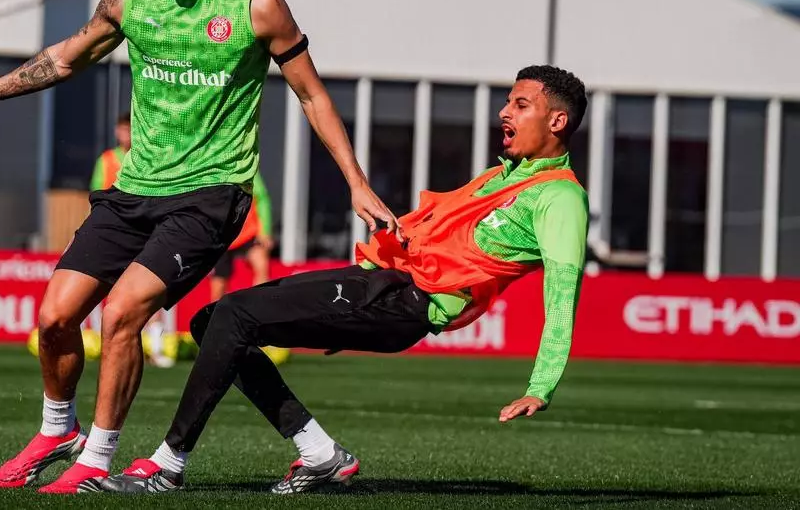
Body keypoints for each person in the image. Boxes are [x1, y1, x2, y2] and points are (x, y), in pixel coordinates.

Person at [0, 0, 397, 494]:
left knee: (122, 314)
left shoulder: (255, 3)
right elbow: (66, 57)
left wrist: (356, 182)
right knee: (55, 317)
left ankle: (96, 460)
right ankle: (59, 429)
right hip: (134, 191)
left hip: (210, 194)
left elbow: (312, 95)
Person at [99, 65, 590, 495]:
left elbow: (562, 295)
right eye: (507, 101)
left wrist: (540, 387)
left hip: (406, 303)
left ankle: (167, 465)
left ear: (557, 121)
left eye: (520, 104)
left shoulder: (561, 199)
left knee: (232, 316)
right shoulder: (503, 175)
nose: (504, 112)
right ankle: (319, 453)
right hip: (378, 284)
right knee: (211, 321)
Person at [91, 113, 173, 369]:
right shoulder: (107, 160)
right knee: (105, 289)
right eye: (123, 129)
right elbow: (96, 193)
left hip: (147, 231)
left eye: (130, 129)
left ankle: (156, 348)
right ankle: (106, 344)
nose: (126, 134)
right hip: (114, 232)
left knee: (150, 291)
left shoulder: (149, 156)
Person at [209, 170, 274, 302]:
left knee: (261, 263)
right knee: (219, 286)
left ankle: (259, 306)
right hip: (222, 236)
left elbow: (262, 199)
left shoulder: (248, 168)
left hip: (248, 233)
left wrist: (265, 232)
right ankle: (217, 314)